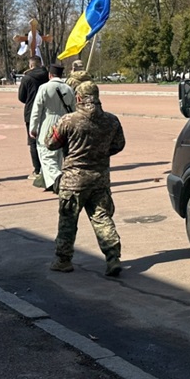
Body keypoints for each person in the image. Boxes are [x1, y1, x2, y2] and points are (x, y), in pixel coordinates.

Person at [47, 81, 126, 276]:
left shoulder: (68, 120)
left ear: (79, 99)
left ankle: (63, 260)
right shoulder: (111, 120)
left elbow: (51, 143)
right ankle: (112, 257)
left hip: (73, 180)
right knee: (102, 217)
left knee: (68, 220)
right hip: (100, 178)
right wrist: (101, 153)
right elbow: (119, 145)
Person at [30, 63, 75, 192]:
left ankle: (57, 179)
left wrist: (33, 127)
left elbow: (37, 109)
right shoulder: (69, 88)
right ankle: (49, 182)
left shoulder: (44, 88)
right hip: (65, 121)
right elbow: (74, 108)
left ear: (50, 75)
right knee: (59, 153)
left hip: (48, 121)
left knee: (46, 153)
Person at [17, 56, 49, 181]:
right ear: (40, 64)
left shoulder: (27, 78)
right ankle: (48, 167)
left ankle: (37, 169)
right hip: (48, 111)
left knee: (33, 142)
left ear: (30, 65)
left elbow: (21, 97)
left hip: (31, 111)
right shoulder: (48, 75)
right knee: (49, 139)